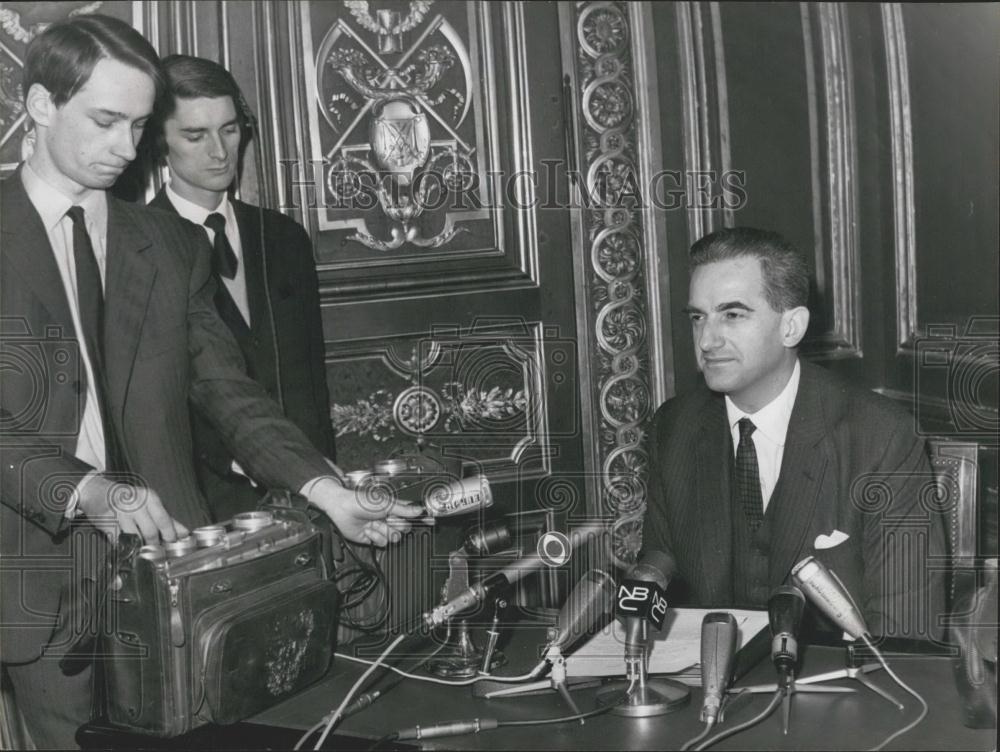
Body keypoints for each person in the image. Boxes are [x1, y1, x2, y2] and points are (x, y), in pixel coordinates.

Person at [0, 16, 418, 748]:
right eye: (105, 121)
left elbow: (230, 392)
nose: (126, 148)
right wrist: (85, 489)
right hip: (39, 584)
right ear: (39, 105)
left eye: (137, 126)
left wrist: (325, 491)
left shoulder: (167, 243)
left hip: (182, 581)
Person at [642, 227, 946, 640]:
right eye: (698, 317)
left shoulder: (882, 436)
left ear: (792, 327)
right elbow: (653, 580)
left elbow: (909, 635)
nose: (707, 340)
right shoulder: (673, 428)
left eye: (732, 314)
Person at [146, 54, 335, 522]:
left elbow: (311, 381)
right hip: (206, 514)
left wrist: (324, 481)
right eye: (195, 135)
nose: (219, 152)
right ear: (158, 141)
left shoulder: (284, 238)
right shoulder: (138, 252)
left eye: (229, 130)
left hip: (310, 500)